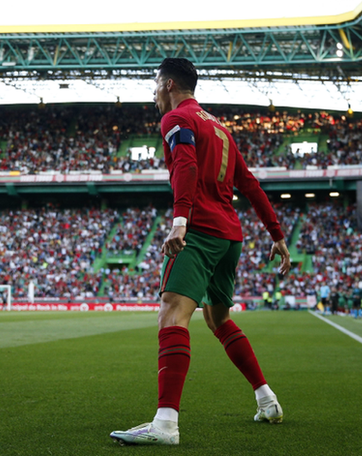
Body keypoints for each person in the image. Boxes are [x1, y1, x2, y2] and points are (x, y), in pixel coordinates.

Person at [110, 58, 292, 446]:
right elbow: (249, 183)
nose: (153, 94)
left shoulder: (177, 119)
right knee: (219, 319)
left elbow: (187, 166)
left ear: (169, 84)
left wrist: (180, 221)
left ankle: (165, 424)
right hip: (230, 237)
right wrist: (276, 233)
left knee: (172, 313)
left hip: (201, 230)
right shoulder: (221, 129)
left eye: (155, 85)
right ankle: (267, 399)